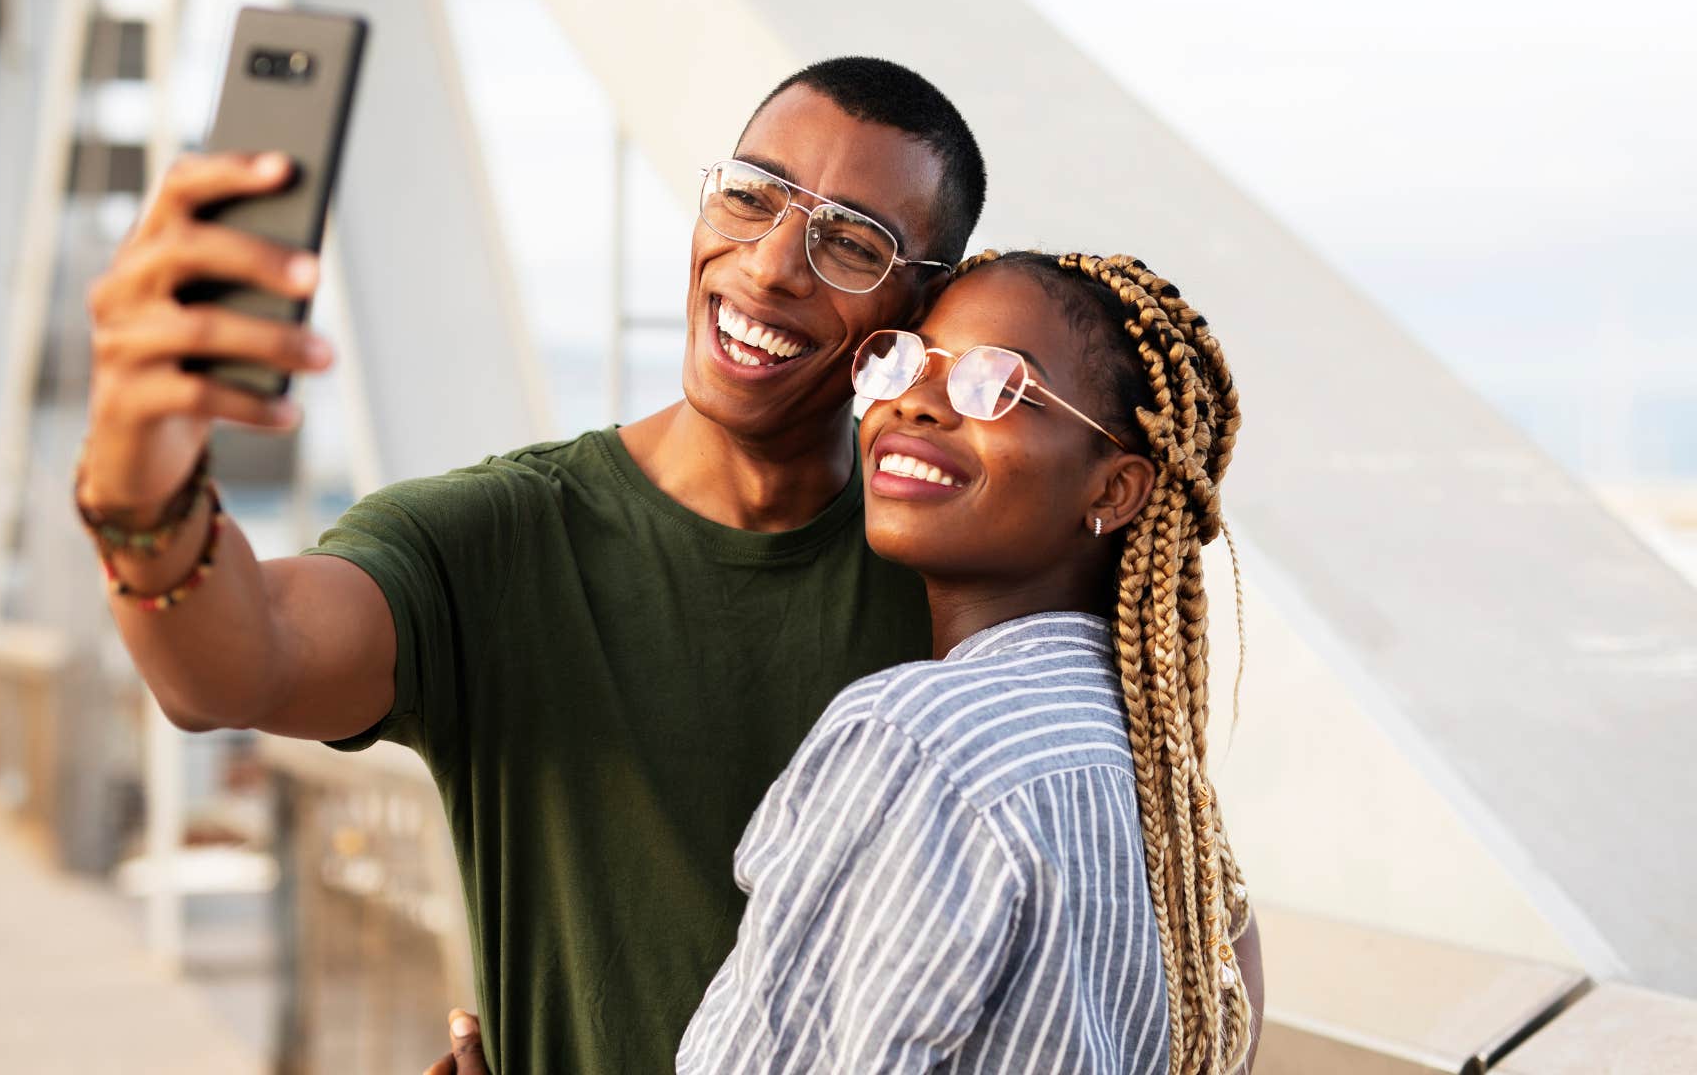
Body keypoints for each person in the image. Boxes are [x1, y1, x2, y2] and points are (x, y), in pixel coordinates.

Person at [77, 57, 984, 1071]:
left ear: (923, 315)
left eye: (852, 243)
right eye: (749, 195)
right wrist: (137, 484)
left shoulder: (960, 589)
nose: (771, 263)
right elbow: (236, 666)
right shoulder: (500, 541)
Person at [674, 250, 1265, 1073]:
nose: (915, 402)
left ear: (1112, 491)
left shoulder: (922, 739)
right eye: (906, 360)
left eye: (994, 383)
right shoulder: (1176, 818)